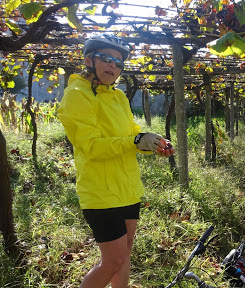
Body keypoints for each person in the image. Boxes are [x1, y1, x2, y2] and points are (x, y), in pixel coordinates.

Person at [57, 33, 175, 288]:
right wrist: (134, 143)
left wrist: (150, 142)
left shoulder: (118, 96)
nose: (112, 65)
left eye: (118, 62)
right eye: (106, 58)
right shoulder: (77, 95)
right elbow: (90, 146)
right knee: (112, 260)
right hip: (100, 192)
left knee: (125, 253)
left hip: (127, 188)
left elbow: (130, 131)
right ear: (90, 60)